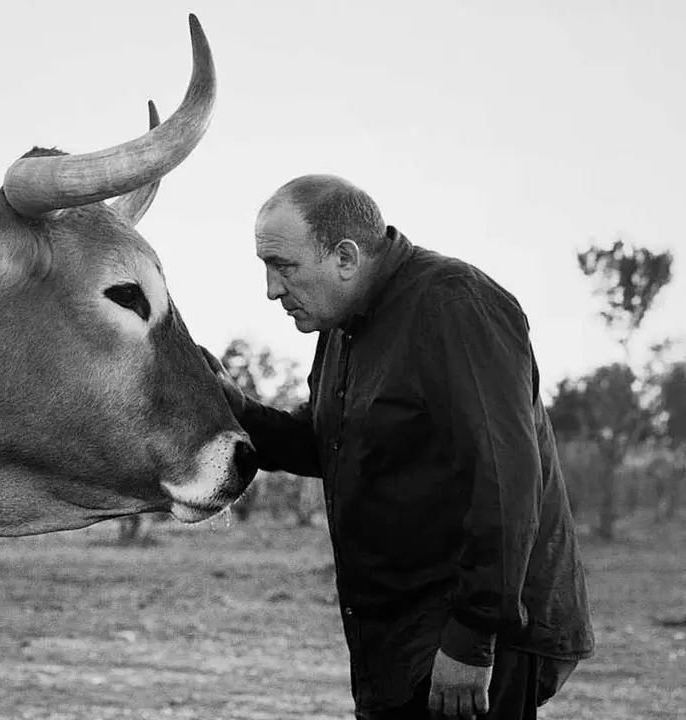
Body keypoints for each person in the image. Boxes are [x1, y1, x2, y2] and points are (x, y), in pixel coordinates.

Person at [208, 175, 594, 719]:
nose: (271, 289)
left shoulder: (456, 306)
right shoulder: (343, 325)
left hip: (480, 632)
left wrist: (472, 639)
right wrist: (235, 406)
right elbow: (331, 446)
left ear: (345, 256)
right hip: (403, 632)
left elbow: (507, 481)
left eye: (284, 266)